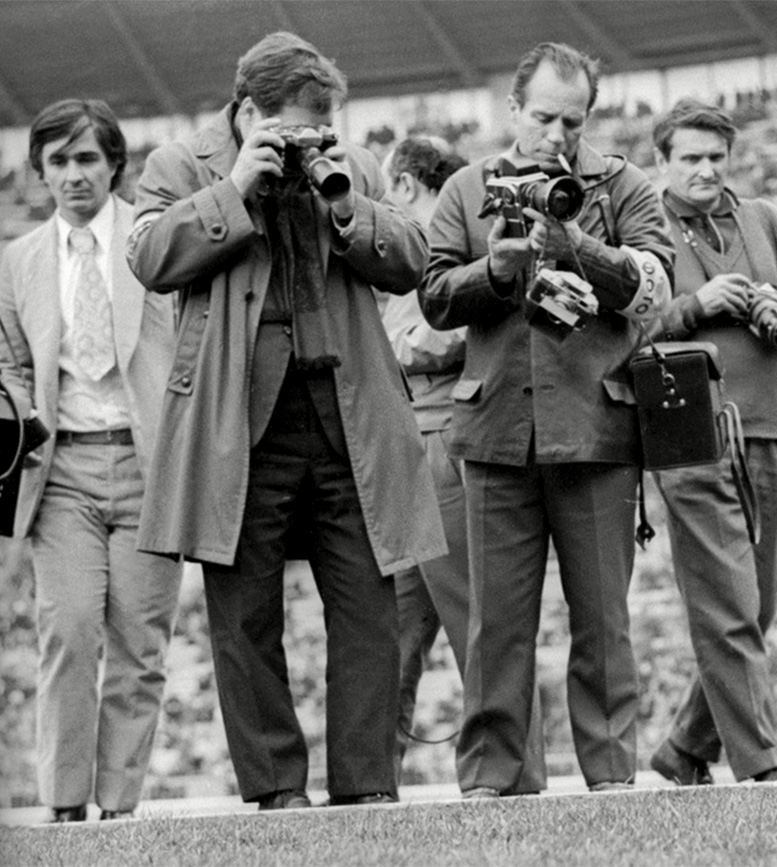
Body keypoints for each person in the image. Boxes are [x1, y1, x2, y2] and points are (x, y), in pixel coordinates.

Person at [127, 32, 445, 810]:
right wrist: (234, 188)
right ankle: (276, 787)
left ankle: (369, 782)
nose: (312, 143)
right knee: (244, 615)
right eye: (296, 130)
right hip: (238, 421)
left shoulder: (353, 163)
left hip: (348, 415)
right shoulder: (181, 164)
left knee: (370, 606)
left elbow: (411, 261)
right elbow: (148, 259)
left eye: (321, 128)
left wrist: (343, 200)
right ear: (247, 114)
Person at [420, 42, 673, 797]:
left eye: (572, 119)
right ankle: (491, 778)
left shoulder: (624, 185)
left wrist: (579, 246)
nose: (557, 135)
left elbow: (655, 290)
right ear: (512, 110)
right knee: (495, 623)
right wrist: (496, 270)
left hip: (597, 429)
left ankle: (610, 774)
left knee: (604, 620)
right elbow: (434, 296)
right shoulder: (468, 189)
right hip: (496, 431)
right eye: (542, 118)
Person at [643, 99, 777, 786]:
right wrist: (695, 307)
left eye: (715, 157)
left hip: (773, 427)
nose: (705, 170)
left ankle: (682, 748)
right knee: (729, 602)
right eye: (690, 158)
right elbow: (620, 328)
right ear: (661, 161)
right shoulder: (643, 225)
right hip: (687, 433)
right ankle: (762, 762)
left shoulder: (765, 219)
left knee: (761, 600)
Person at [0, 99, 181, 822]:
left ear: (114, 165)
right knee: (69, 630)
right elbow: (9, 363)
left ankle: (119, 807)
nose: (73, 175)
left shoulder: (156, 241)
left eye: (86, 159)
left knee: (140, 645)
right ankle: (65, 804)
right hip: (64, 470)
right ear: (40, 172)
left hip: (149, 466)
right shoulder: (17, 261)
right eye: (58, 162)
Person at [378, 137, 546, 792]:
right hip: (407, 448)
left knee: (482, 622)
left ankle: (515, 777)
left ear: (411, 187)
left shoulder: (454, 247)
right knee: (392, 632)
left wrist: (390, 346)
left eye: (391, 189)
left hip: (449, 438)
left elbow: (438, 335)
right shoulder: (406, 254)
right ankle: (371, 781)